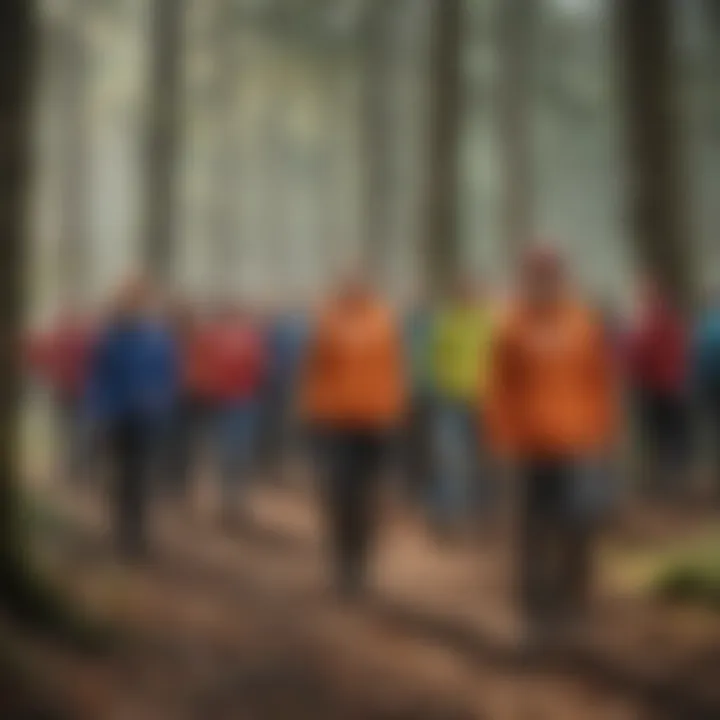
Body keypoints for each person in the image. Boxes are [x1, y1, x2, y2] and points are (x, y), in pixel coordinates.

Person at [486, 246, 618, 643]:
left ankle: (575, 610)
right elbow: (499, 387)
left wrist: (603, 432)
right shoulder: (511, 325)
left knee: (579, 529)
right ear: (525, 277)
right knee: (533, 534)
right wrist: (500, 436)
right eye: (536, 273)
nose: (544, 280)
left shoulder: (582, 323)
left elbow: (599, 382)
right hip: (529, 447)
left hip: (579, 444)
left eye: (551, 273)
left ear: (562, 276)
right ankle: (536, 617)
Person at [301, 273, 405, 598]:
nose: (353, 289)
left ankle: (362, 562)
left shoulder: (383, 321)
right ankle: (342, 561)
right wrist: (313, 410)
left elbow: (393, 369)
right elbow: (316, 369)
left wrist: (393, 409)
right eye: (348, 284)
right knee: (338, 493)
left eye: (359, 284)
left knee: (368, 495)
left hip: (374, 421)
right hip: (335, 420)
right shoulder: (328, 321)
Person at [86, 276, 179, 559]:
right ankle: (120, 528)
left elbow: (167, 372)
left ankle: (136, 533)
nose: (133, 303)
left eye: (137, 298)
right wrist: (99, 408)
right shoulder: (109, 336)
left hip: (146, 417)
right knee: (119, 473)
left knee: (139, 475)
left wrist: (161, 399)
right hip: (116, 414)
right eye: (128, 298)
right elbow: (99, 375)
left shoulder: (157, 336)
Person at [429, 277, 494, 535]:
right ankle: (448, 517)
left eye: (472, 291)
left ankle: (483, 516)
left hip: (485, 402)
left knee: (484, 462)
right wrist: (441, 386)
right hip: (451, 400)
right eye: (463, 291)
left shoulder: (490, 323)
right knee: (450, 460)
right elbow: (434, 359)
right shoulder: (445, 322)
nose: (468, 295)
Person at [625, 277, 690, 498]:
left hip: (659, 388)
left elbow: (639, 356)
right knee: (668, 436)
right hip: (665, 387)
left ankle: (672, 481)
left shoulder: (648, 325)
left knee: (664, 436)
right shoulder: (666, 322)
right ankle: (672, 479)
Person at [203, 300, 267, 525]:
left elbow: (260, 367)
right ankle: (228, 499)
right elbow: (209, 366)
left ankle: (236, 500)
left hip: (244, 401)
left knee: (239, 452)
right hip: (224, 401)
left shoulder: (251, 338)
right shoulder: (216, 337)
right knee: (227, 453)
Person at [26, 307, 96, 485]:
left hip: (68, 390)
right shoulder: (83, 339)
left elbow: (40, 358)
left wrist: (48, 376)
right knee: (74, 430)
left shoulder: (62, 337)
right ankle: (73, 468)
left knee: (66, 430)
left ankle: (67, 468)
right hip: (74, 390)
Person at [401, 292, 434, 507]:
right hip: (411, 393)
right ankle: (414, 488)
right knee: (414, 444)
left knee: (427, 445)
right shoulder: (405, 328)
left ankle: (423, 489)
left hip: (432, 393)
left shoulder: (436, 326)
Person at [692, 290, 720, 501]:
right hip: (711, 387)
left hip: (709, 389)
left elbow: (697, 359)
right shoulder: (706, 327)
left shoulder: (703, 327)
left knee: (714, 434)